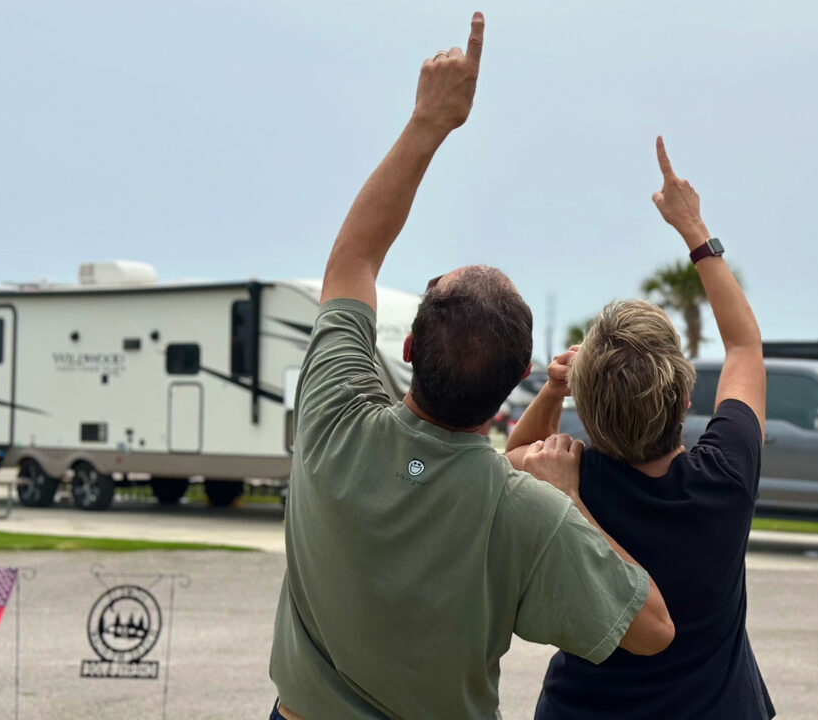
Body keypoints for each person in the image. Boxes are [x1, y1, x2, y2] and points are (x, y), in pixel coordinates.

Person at [268, 13, 674, 720]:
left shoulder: (334, 422)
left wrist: (430, 121)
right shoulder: (522, 510)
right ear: (515, 381)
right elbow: (653, 630)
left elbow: (354, 259)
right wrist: (569, 501)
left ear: (408, 350)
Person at [506, 137, 774, 719]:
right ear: (685, 398)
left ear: (587, 410)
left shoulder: (569, 481)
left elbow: (515, 454)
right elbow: (744, 346)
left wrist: (551, 391)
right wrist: (694, 230)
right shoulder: (726, 475)